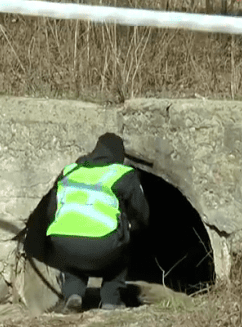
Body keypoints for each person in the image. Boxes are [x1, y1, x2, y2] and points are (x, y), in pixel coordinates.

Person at [22, 132, 150, 313]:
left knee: (71, 253)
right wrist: (133, 228)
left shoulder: (70, 171)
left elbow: (51, 209)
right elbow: (141, 212)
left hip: (62, 241)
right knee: (121, 249)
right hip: (103, 245)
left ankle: (74, 294)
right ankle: (111, 300)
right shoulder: (123, 174)